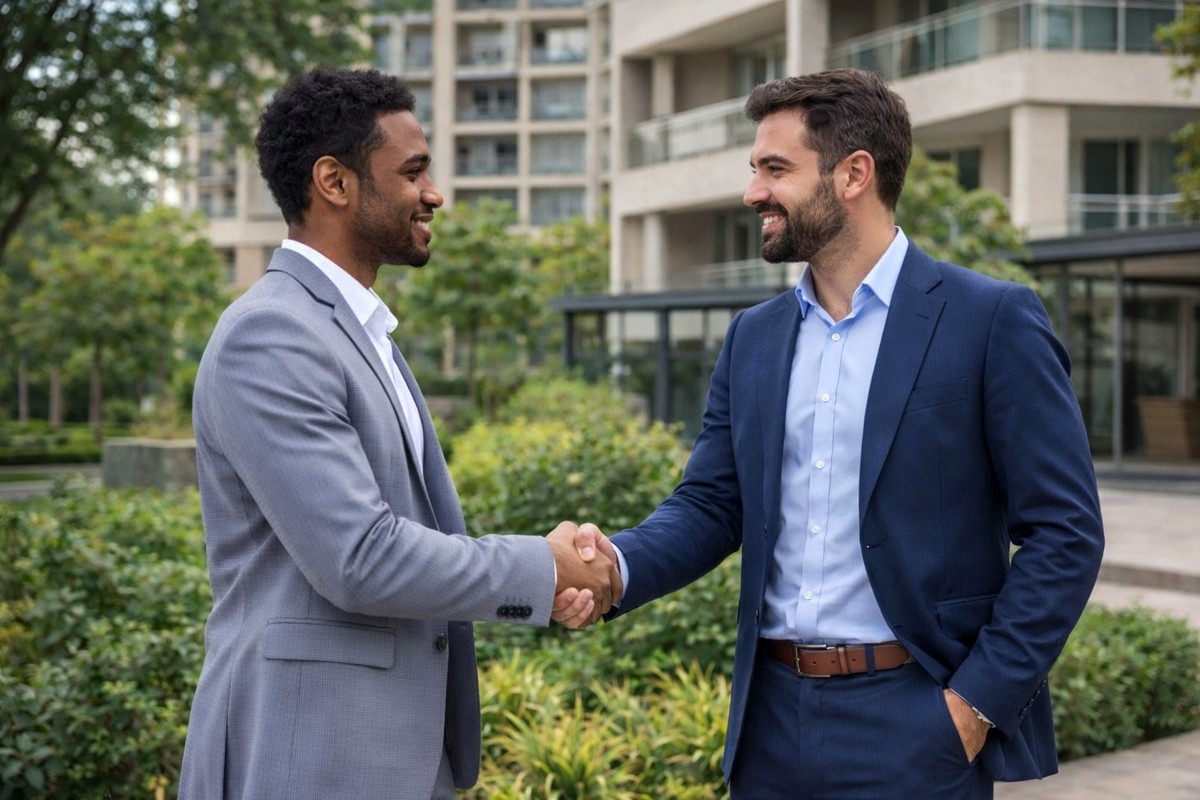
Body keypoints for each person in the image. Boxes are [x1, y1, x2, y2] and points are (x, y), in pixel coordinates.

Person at [557, 69, 1104, 799]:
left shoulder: (991, 320)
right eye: (755, 169)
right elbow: (713, 505)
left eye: (774, 169)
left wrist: (972, 707)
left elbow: (1066, 532)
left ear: (853, 175)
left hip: (917, 721)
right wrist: (615, 566)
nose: (754, 192)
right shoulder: (755, 338)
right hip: (771, 724)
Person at [178, 67, 614, 800]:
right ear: (335, 182)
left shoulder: (358, 330)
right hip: (310, 754)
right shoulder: (272, 334)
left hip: (394, 756)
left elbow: (406, 534)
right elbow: (360, 556)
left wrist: (551, 575)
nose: (434, 193)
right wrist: (543, 570)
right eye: (412, 173)